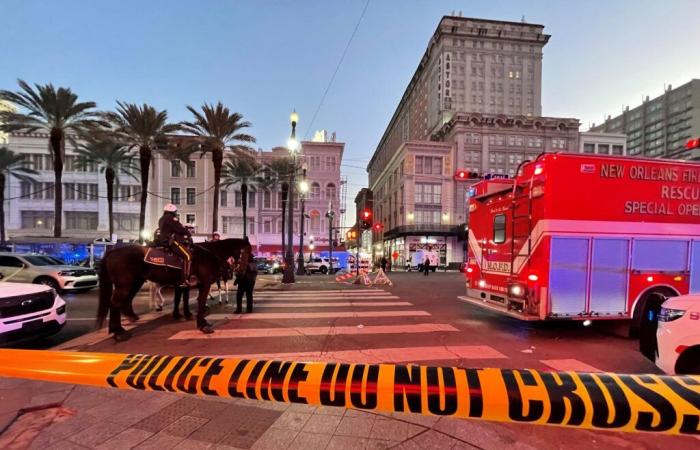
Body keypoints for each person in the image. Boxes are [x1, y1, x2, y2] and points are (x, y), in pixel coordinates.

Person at [157, 203, 193, 287]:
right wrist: (187, 232)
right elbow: (179, 228)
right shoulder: (171, 218)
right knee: (188, 256)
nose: (175, 213)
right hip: (171, 241)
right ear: (172, 212)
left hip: (163, 241)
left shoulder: (161, 219)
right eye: (175, 212)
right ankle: (185, 279)